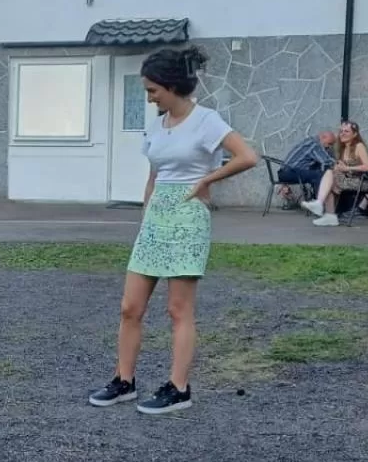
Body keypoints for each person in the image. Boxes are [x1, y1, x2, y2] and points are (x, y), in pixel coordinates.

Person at [88, 45, 258, 414]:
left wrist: (205, 181)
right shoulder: (157, 125)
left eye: (152, 90)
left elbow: (248, 157)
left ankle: (179, 388)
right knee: (129, 306)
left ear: (171, 86)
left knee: (178, 309)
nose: (149, 98)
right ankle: (124, 380)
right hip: (156, 217)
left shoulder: (206, 120)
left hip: (188, 215)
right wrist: (147, 210)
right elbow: (155, 173)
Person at [301, 121, 368, 227]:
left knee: (329, 175)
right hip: (347, 179)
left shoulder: (359, 146)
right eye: (341, 131)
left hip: (361, 181)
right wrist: (338, 167)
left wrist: (347, 168)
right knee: (329, 178)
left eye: (346, 131)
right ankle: (329, 215)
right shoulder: (342, 148)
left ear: (355, 134)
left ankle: (321, 206)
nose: (342, 133)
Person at [274, 129, 336, 207]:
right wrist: (341, 165)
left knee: (317, 171)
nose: (330, 147)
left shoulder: (310, 141)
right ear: (323, 138)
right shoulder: (314, 145)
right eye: (329, 144)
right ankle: (320, 204)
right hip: (290, 173)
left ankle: (316, 200)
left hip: (285, 172)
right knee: (319, 175)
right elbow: (326, 161)